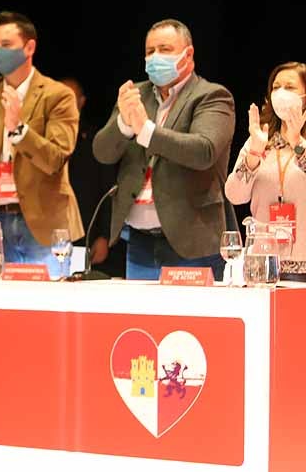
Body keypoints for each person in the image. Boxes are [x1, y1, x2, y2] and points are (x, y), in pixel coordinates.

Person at [92, 19, 235, 280]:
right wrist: (124, 124)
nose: (155, 57)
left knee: (191, 321)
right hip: (139, 242)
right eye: (150, 52)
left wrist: (146, 131)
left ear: (188, 54)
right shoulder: (135, 94)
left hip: (191, 241)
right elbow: (102, 153)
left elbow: (203, 151)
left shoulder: (212, 96)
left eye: (165, 49)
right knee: (142, 320)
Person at [0, 11, 82, 278]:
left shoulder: (57, 95)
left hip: (43, 222)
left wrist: (19, 130)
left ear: (29, 46)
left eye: (7, 45)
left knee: (47, 307)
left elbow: (56, 158)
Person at [225, 62, 306, 282]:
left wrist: (298, 143)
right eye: (276, 87)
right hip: (264, 263)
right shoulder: (261, 140)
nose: (281, 93)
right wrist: (253, 154)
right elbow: (234, 195)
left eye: (290, 87)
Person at [62, 77, 123, 276]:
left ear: (81, 102)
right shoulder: (42, 139)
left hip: (87, 231)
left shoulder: (96, 141)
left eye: (70, 98)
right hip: (49, 233)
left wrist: (105, 235)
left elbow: (109, 189)